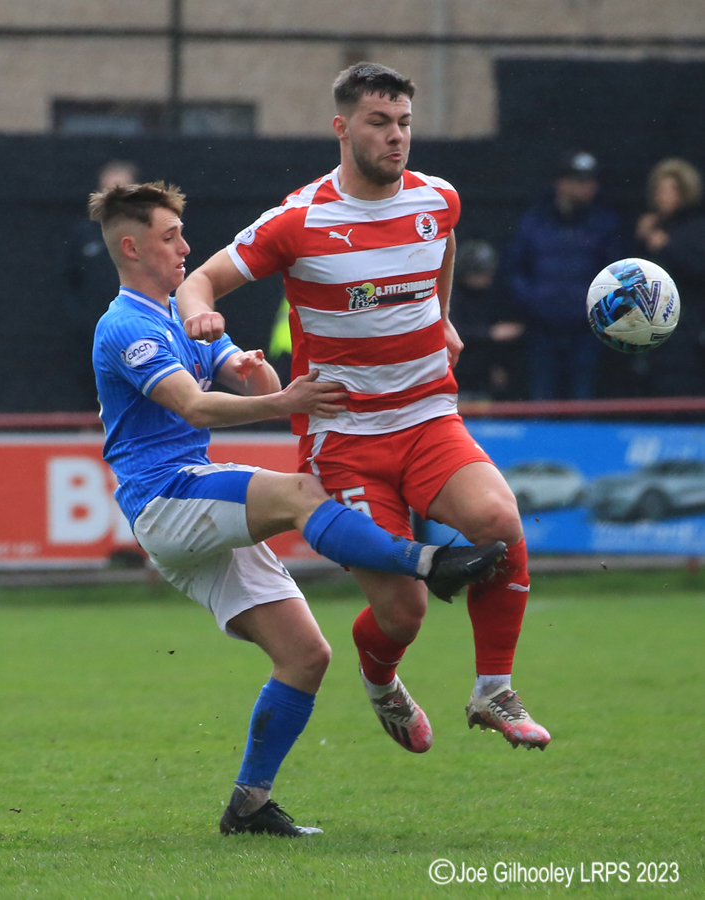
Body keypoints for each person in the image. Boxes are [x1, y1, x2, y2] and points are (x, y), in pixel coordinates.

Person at [89, 181, 504, 837]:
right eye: (171, 238)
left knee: (306, 656)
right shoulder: (125, 325)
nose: (185, 248)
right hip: (163, 495)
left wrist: (257, 376)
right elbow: (195, 407)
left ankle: (248, 807)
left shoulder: (174, 315)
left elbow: (256, 384)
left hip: (190, 495)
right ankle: (429, 562)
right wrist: (278, 404)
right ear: (133, 246)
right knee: (300, 493)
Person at [176, 62, 551, 757]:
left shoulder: (438, 198)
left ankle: (492, 689)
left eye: (404, 123)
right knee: (401, 608)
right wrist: (199, 315)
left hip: (428, 417)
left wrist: (440, 318)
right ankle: (380, 680)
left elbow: (441, 249)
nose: (396, 136)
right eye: (379, 123)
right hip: (343, 439)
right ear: (342, 128)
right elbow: (201, 280)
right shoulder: (299, 219)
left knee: (500, 522)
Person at [506, 151, 623, 400]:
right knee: (541, 401)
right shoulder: (534, 221)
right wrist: (534, 301)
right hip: (541, 330)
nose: (587, 188)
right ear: (561, 183)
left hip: (587, 332)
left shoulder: (605, 224)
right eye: (580, 181)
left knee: (584, 401)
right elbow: (516, 268)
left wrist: (594, 308)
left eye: (591, 182)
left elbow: (617, 275)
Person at [66, 160, 140, 408]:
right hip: (94, 332)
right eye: (110, 189)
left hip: (137, 329)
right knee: (92, 390)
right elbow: (70, 281)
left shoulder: (148, 234)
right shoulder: (84, 234)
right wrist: (82, 320)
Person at [634, 157, 705, 396]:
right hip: (650, 328)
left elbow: (698, 269)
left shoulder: (696, 228)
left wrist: (666, 246)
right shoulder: (650, 226)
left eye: (671, 190)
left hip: (687, 329)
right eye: (660, 190)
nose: (663, 196)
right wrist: (642, 240)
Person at [450, 240, 526, 400]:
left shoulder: (493, 295)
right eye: (480, 274)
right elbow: (454, 332)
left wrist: (498, 366)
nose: (486, 278)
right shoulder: (452, 295)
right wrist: (489, 333)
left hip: (484, 374)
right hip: (458, 370)